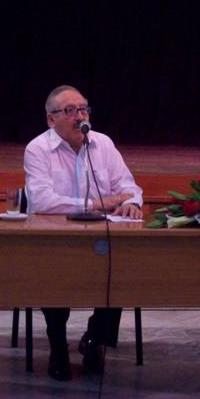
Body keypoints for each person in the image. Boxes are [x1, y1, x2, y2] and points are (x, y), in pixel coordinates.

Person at [24, 85, 143, 380]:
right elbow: (40, 200)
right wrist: (95, 203)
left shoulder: (103, 143)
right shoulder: (37, 149)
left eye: (83, 109)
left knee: (120, 268)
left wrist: (131, 203)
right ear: (52, 120)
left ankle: (95, 340)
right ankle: (58, 347)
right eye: (70, 111)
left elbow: (130, 187)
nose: (80, 116)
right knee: (52, 272)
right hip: (57, 241)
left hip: (100, 239)